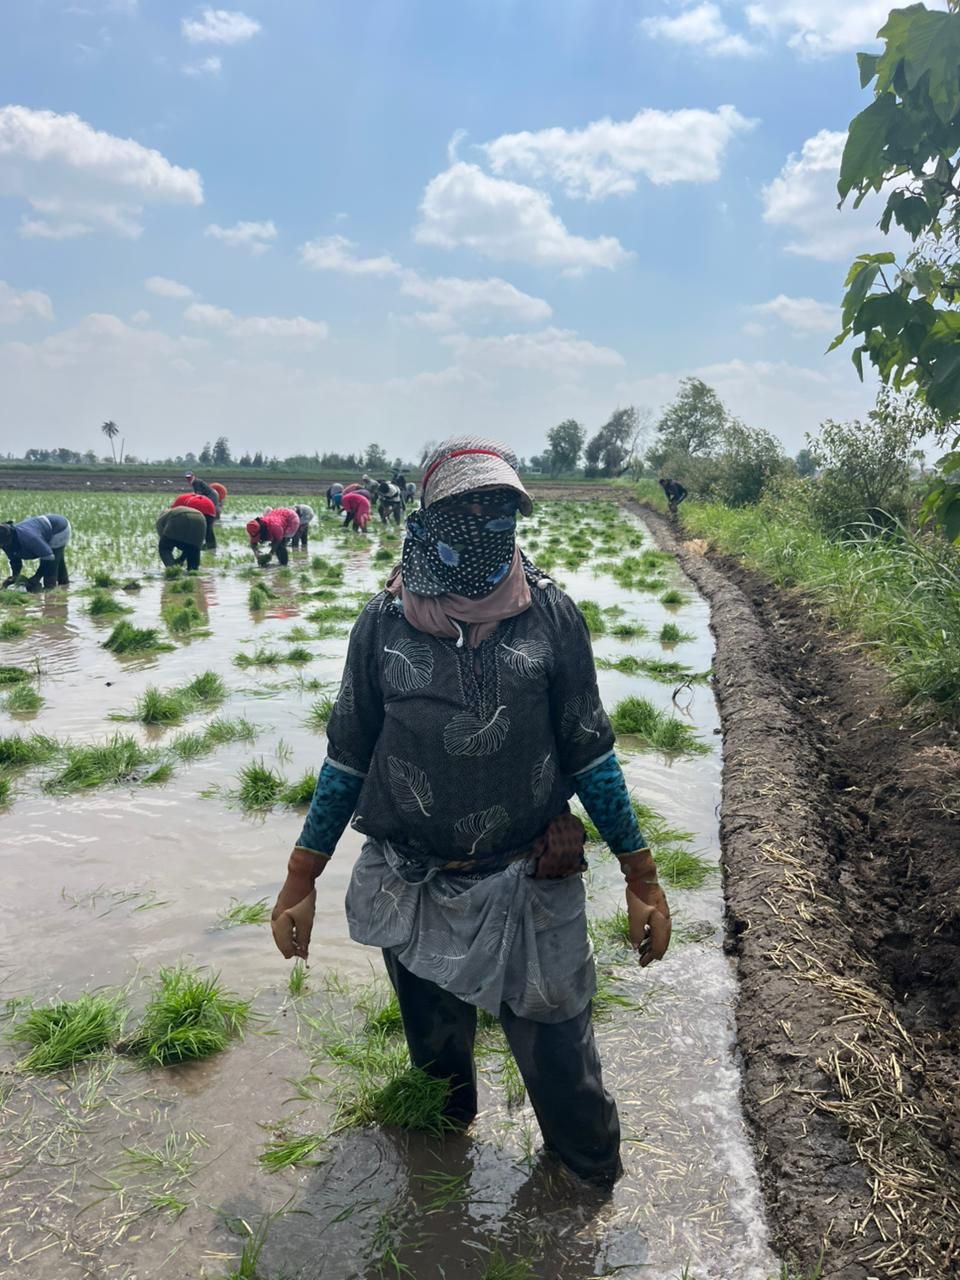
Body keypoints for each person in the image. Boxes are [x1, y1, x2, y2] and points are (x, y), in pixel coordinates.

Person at [270, 434, 671, 1189]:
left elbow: (590, 751)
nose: (488, 522)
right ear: (425, 518)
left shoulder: (550, 616)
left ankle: (585, 1194)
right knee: (439, 1076)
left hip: (531, 877)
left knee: (565, 1074)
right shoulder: (380, 627)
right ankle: (441, 1185)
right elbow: (347, 760)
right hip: (415, 882)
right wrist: (301, 878)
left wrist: (641, 875)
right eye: (467, 507)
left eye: (502, 508)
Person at [0, 514, 71, 591]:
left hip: (59, 528)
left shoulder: (29, 538)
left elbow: (49, 556)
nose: (3, 547)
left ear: (9, 538)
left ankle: (51, 595)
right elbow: (15, 560)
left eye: (3, 544)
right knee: (58, 561)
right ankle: (65, 585)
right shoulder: (5, 543)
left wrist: (37, 577)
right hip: (42, 526)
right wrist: (15, 577)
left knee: (51, 571)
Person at [156, 506, 206, 571]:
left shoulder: (160, 519)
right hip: (201, 518)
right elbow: (189, 547)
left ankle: (173, 570)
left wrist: (173, 562)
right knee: (193, 550)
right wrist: (181, 559)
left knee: (164, 548)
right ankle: (194, 574)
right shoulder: (171, 512)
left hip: (179, 516)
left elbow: (165, 542)